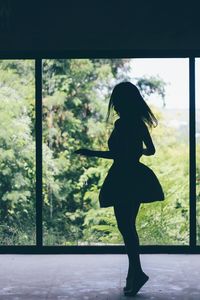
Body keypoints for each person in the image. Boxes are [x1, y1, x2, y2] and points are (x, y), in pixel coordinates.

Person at [74, 81, 165, 297]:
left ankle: (138, 272)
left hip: (122, 177)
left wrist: (91, 152)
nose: (114, 105)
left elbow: (117, 155)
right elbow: (150, 151)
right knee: (128, 227)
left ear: (122, 102)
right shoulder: (140, 124)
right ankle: (133, 274)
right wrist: (136, 152)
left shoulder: (122, 124)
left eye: (116, 101)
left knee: (126, 228)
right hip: (136, 175)